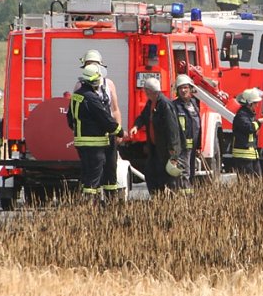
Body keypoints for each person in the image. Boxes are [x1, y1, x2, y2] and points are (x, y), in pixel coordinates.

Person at [66, 65, 124, 201]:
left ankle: (93, 203)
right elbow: (105, 118)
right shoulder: (92, 98)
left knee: (87, 175)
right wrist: (119, 131)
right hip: (95, 145)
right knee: (94, 178)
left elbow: (70, 119)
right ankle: (90, 206)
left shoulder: (76, 96)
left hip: (81, 144)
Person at [129, 77, 182, 196]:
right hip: (154, 147)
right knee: (151, 173)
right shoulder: (151, 103)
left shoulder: (165, 105)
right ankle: (156, 197)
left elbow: (172, 129)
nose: (145, 93)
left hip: (165, 149)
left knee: (165, 175)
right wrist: (136, 126)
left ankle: (167, 199)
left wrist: (173, 152)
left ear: (151, 91)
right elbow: (143, 116)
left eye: (146, 91)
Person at [172, 74, 201, 191]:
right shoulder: (174, 106)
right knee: (184, 172)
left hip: (193, 146)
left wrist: (199, 145)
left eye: (185, 87)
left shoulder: (194, 103)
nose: (183, 90)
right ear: (177, 91)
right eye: (181, 88)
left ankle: (189, 193)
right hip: (182, 147)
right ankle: (185, 198)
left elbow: (198, 126)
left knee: (191, 172)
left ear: (190, 88)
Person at [230, 87, 263, 175]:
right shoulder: (241, 115)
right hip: (243, 155)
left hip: (251, 154)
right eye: (255, 103)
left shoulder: (249, 115)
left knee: (257, 181)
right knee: (247, 182)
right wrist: (258, 122)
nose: (256, 105)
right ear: (249, 104)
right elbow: (249, 128)